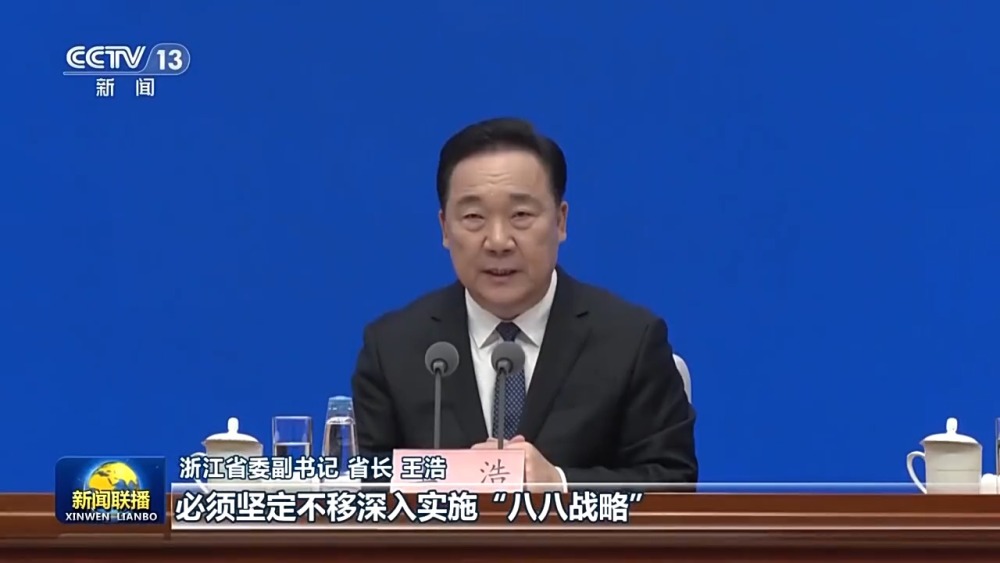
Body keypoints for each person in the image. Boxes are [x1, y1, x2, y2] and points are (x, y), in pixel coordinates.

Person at [351, 117, 697, 490]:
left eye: (521, 215)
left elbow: (673, 484)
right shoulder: (393, 348)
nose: (498, 241)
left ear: (560, 222)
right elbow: (367, 486)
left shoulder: (631, 342)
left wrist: (559, 484)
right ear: (445, 229)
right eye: (474, 217)